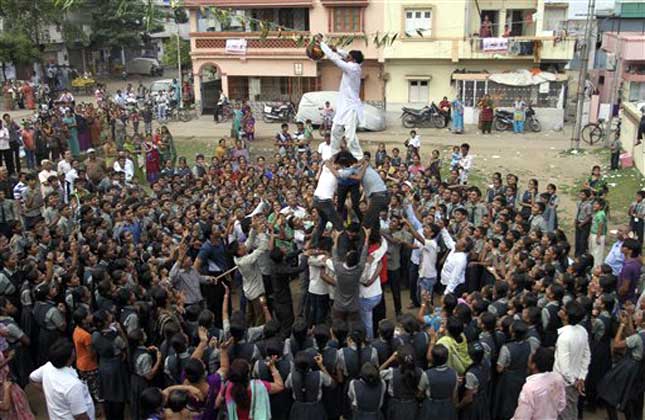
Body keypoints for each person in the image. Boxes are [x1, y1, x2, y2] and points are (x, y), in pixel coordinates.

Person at [317, 34, 365, 160]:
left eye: (348, 57)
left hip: (351, 107)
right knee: (335, 132)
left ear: (353, 60)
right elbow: (343, 55)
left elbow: (336, 59)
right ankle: (333, 156)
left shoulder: (353, 68)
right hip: (343, 106)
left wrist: (322, 44)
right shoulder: (354, 64)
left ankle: (359, 158)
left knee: (349, 136)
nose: (346, 58)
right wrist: (336, 49)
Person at [29, 338, 95, 420]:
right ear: (71, 357)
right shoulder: (73, 385)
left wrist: (49, 392)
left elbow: (32, 378)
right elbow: (80, 416)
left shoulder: (48, 367)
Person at [553, 301, 591, 420]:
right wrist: (581, 377)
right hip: (575, 380)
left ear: (567, 316)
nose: (560, 309)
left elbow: (564, 368)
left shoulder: (564, 337)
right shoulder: (582, 331)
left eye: (563, 309)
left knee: (565, 414)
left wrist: (574, 382)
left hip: (565, 383)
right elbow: (587, 355)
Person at [512, 346, 566, 420]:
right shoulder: (557, 379)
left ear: (533, 365)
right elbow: (561, 404)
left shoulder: (530, 388)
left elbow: (522, 416)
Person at [589, 199, 607, 268]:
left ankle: (596, 267)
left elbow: (600, 225)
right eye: (594, 204)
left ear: (601, 206)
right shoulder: (597, 213)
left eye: (596, 204)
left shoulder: (601, 214)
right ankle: (592, 265)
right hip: (593, 234)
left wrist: (598, 237)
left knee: (597, 252)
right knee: (593, 250)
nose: (594, 205)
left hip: (598, 235)